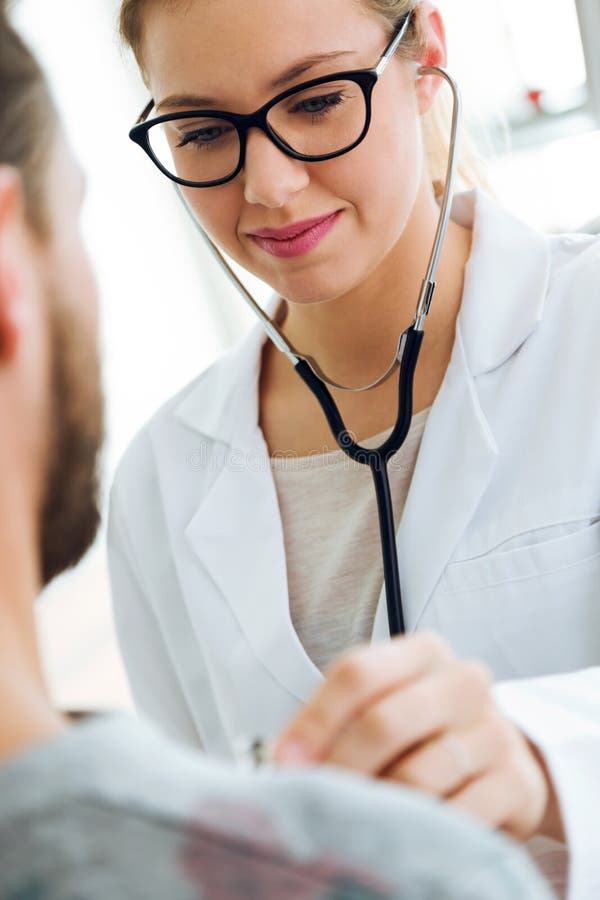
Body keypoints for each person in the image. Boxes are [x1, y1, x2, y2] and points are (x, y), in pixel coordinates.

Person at [0, 4, 559, 899]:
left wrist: (549, 763)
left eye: (315, 101)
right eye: (204, 129)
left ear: (426, 62)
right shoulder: (161, 477)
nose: (267, 183)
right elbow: (185, 840)